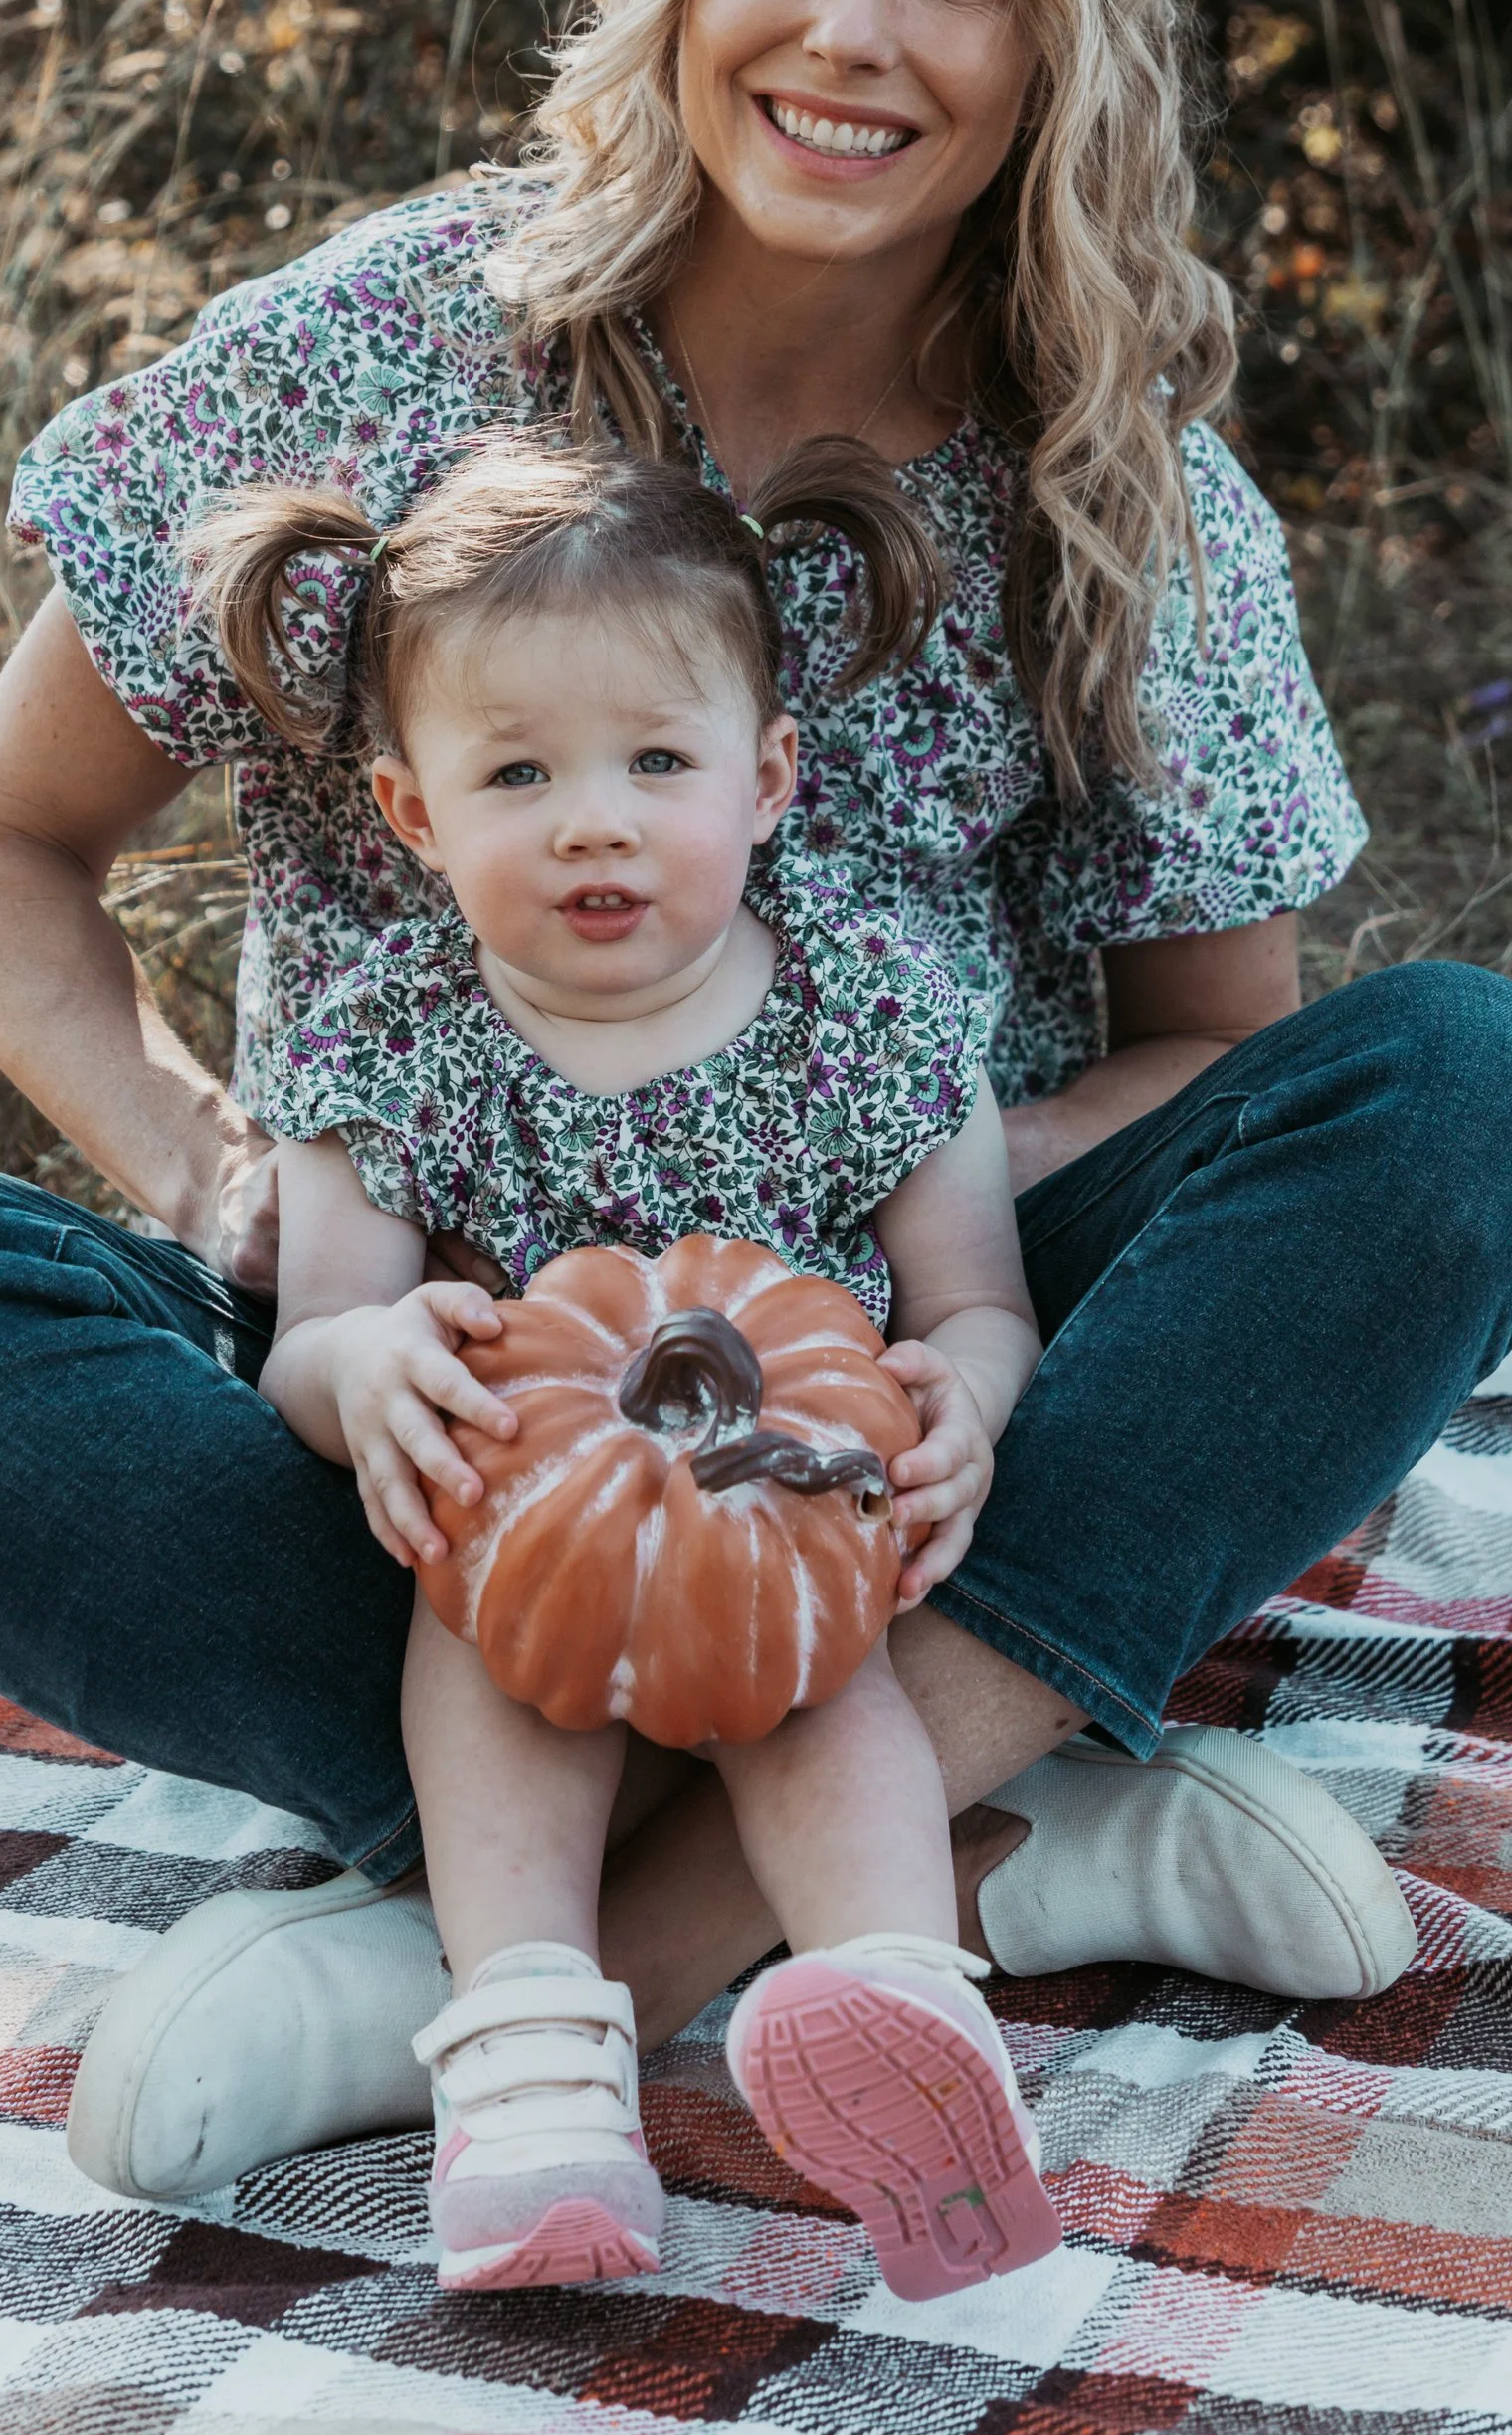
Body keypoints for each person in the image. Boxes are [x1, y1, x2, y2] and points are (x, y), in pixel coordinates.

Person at [0, 0, 1512, 2207]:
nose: (856, 29)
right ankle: (994, 1846)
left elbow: (1219, 1041)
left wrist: (916, 1256)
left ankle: (543, 1965)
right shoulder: (376, 350)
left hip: (903, 1398)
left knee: (1474, 1083)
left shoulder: (1113, 484)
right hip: (449, 1378)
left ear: (1057, 46)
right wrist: (229, 1191)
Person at [201, 431, 1056, 2296]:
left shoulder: (869, 1013)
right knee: (491, 1656)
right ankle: (530, 2076)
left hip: (789, 1506)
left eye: (655, 762)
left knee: (833, 1694)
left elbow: (978, 1297)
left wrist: (966, 1399)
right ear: (415, 813)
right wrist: (370, 1370)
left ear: (764, 780)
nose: (593, 818)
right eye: (517, 771)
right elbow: (308, 1340)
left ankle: (909, 2024)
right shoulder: (389, 1044)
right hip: (527, 1532)